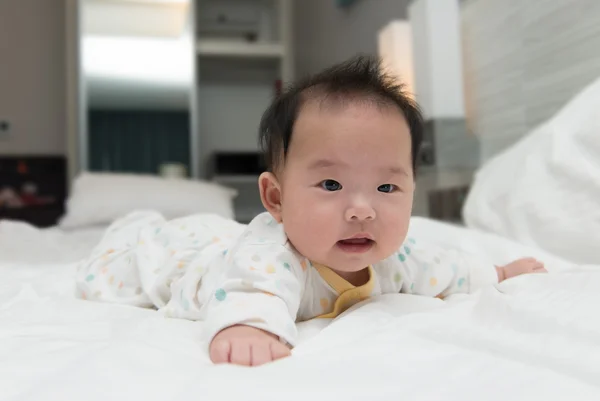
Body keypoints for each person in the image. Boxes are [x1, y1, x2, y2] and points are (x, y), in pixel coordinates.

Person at [76, 56, 546, 367]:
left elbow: (449, 271)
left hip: (224, 242)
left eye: (386, 186)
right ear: (276, 199)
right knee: (131, 262)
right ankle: (135, 225)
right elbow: (249, 288)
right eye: (331, 184)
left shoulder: (395, 258)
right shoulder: (269, 255)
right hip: (194, 260)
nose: (362, 210)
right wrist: (247, 327)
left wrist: (500, 272)